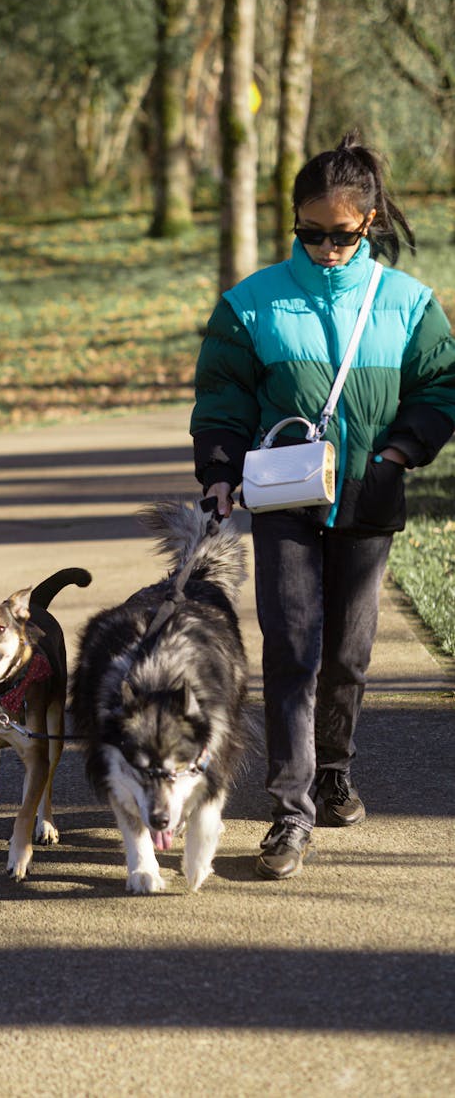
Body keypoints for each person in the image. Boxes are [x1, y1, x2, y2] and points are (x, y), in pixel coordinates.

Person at [190, 131, 455, 880]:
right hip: (285, 503)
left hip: (369, 500)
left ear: (367, 223)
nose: (325, 248)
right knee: (292, 651)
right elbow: (222, 395)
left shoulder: (407, 303)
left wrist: (402, 449)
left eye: (340, 235)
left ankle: (333, 769)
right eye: (308, 233)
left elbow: (442, 386)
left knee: (347, 655)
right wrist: (218, 470)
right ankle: (290, 809)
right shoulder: (251, 302)